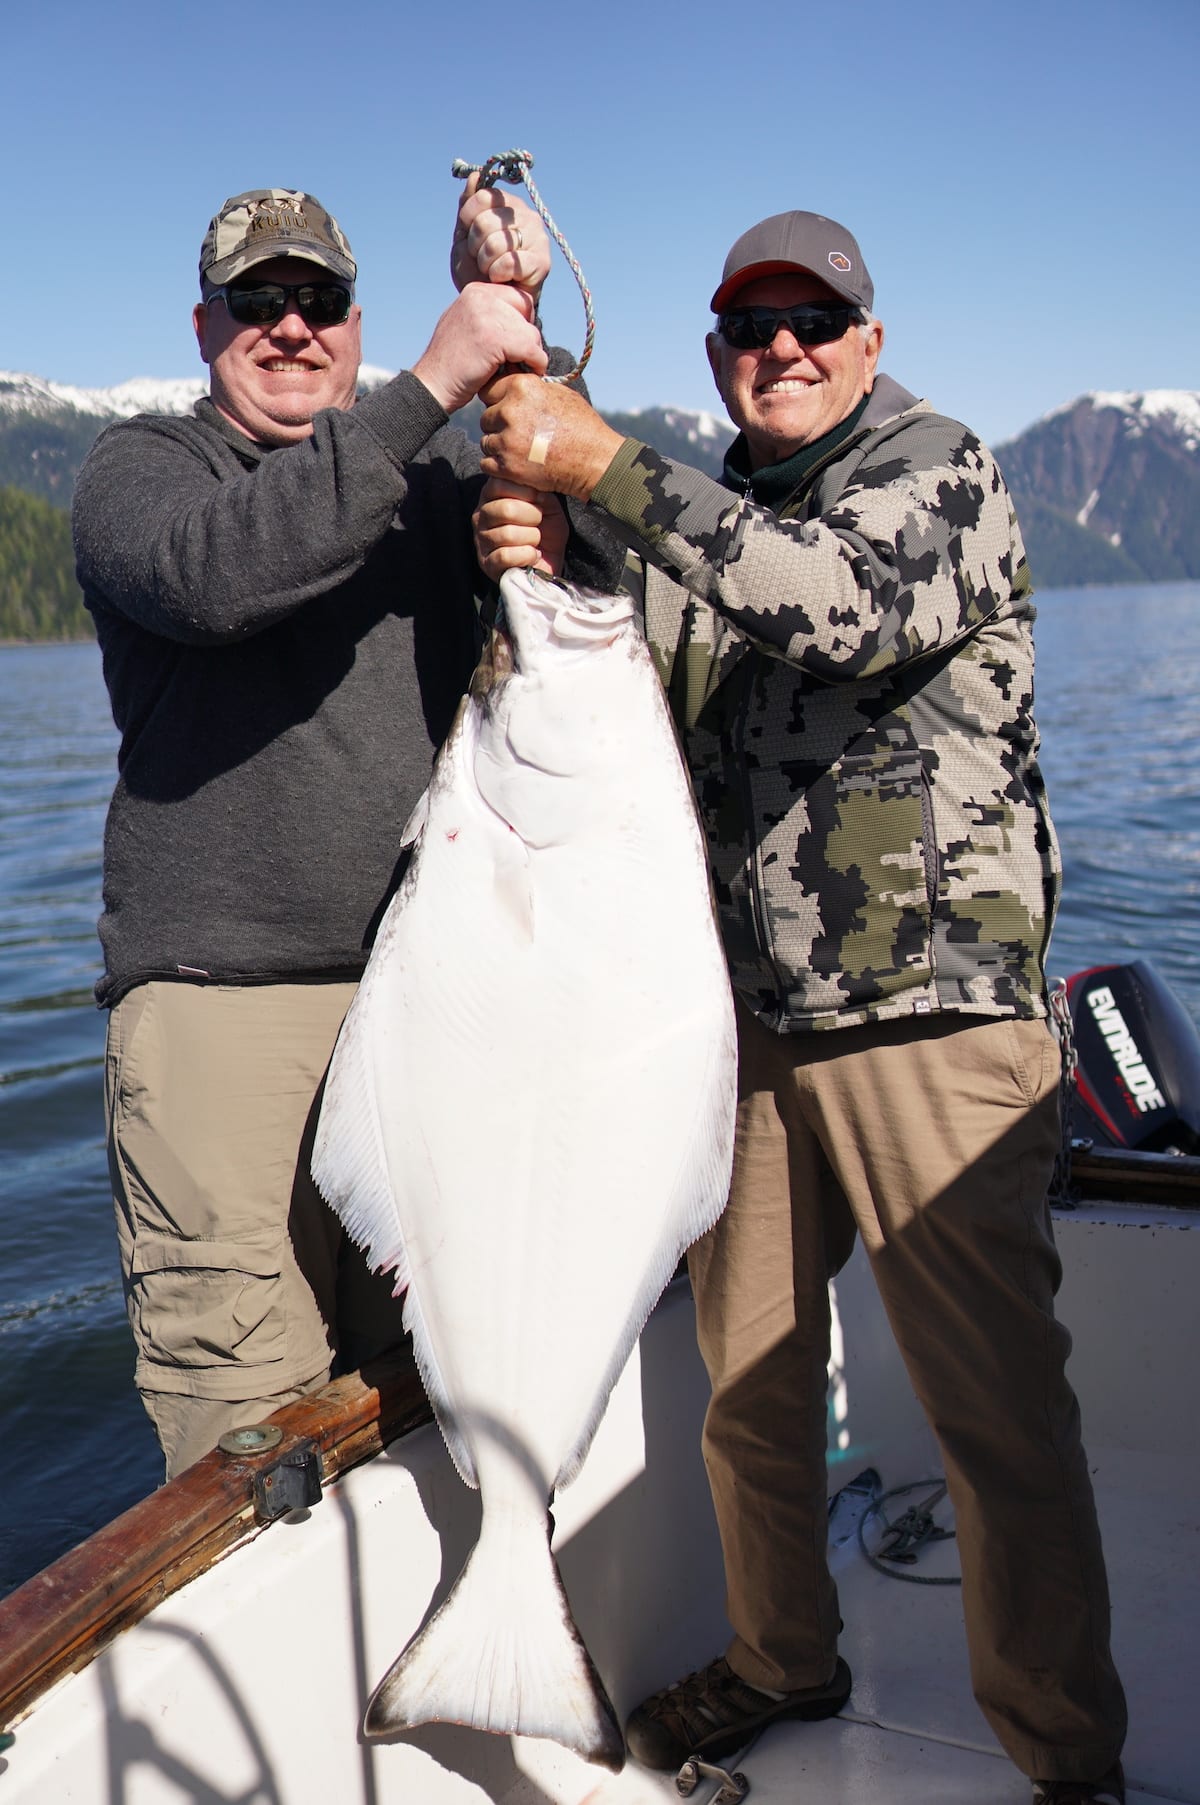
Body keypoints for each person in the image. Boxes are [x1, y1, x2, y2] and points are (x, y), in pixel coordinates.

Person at [474, 210, 1128, 1804]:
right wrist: (533, 468)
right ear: (716, 356)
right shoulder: (704, 520)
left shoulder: (938, 473)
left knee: (996, 1424)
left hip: (936, 1028)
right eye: (751, 327)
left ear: (869, 343)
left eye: (813, 322)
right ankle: (781, 1655)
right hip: (748, 1037)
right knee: (748, 1394)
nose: (784, 347)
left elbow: (836, 604)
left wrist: (601, 470)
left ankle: (1065, 1756)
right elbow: (590, 570)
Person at [73, 183, 621, 1481]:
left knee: (446, 1373)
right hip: (221, 1016)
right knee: (251, 1437)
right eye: (257, 301)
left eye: (316, 299)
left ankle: (460, 1665)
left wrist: (525, 338)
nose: (290, 326)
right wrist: (438, 371)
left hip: (435, 1001)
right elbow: (223, 575)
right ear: (205, 324)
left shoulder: (427, 476)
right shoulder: (142, 473)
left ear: (353, 320)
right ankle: (270, 1685)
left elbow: (588, 582)